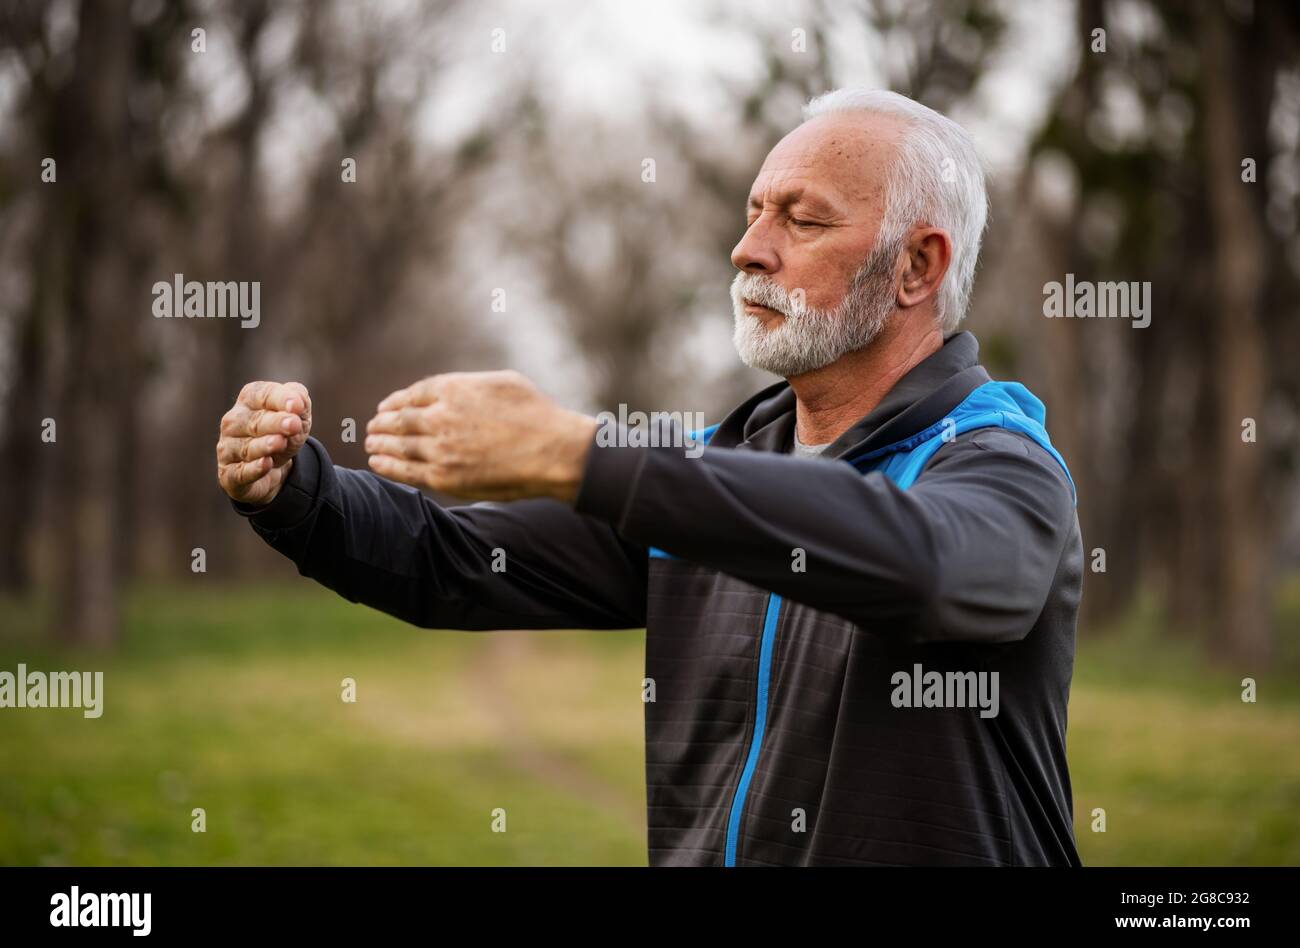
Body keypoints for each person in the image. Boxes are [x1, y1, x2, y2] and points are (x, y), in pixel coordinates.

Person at [216, 88, 1082, 866]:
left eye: (802, 221)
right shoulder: (715, 473)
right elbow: (453, 561)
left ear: (916, 267)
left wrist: (584, 457)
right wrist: (300, 492)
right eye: (753, 213)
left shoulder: (1002, 463)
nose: (748, 250)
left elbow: (931, 565)